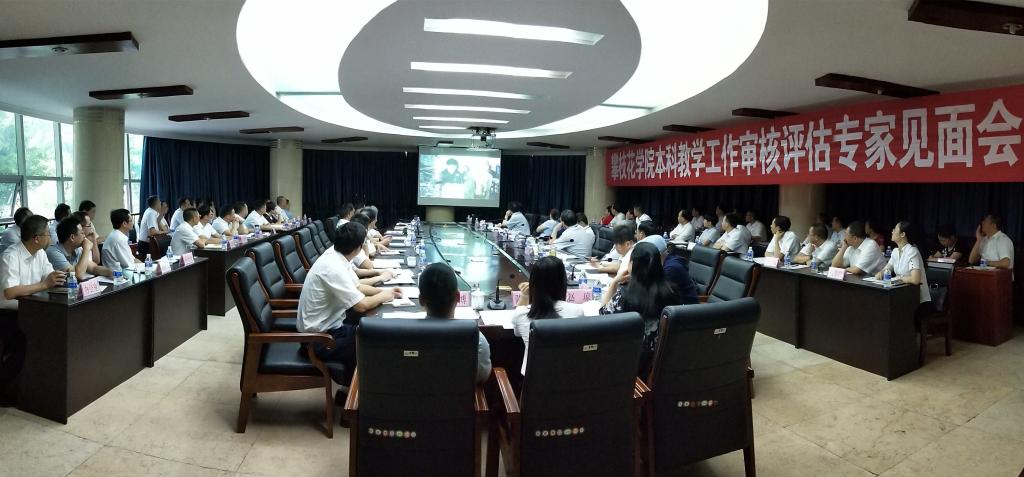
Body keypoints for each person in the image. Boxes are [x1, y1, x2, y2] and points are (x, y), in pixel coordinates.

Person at [297, 222, 400, 384]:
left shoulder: (336, 255)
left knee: (370, 329)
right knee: (375, 339)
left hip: (331, 329)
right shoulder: (333, 267)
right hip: (318, 340)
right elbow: (361, 305)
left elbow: (357, 286)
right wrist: (383, 296)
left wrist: (386, 291)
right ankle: (360, 393)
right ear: (358, 248)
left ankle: (350, 388)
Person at [0, 215, 66, 402]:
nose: (50, 238)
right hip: (8, 312)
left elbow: (49, 277)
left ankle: (41, 385)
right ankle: (5, 389)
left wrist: (61, 279)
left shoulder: (41, 254)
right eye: (47, 234)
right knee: (24, 342)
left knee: (57, 332)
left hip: (34, 309)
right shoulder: (10, 256)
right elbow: (10, 292)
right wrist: (44, 285)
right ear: (36, 238)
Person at [600, 242, 683, 377]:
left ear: (632, 264)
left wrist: (614, 283)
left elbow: (602, 315)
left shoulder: (625, 295)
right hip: (661, 362)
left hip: (627, 363)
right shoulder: (672, 291)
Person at [417, 263, 491, 382]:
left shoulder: (407, 338)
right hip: (461, 394)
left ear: (421, 300)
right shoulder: (476, 340)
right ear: (458, 296)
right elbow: (482, 377)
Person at [512, 256, 585, 375]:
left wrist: (524, 296)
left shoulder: (521, 314)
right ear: (563, 282)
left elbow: (517, 332)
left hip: (532, 382)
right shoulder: (577, 311)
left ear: (532, 283)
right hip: (568, 379)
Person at [876, 221, 931, 303]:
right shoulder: (895, 251)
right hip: (902, 294)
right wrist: (881, 272)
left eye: (895, 229)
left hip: (917, 299)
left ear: (902, 234)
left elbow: (915, 279)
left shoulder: (912, 251)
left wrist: (899, 279)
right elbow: (888, 268)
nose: (892, 231)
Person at [46, 216, 112, 281]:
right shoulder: (53, 252)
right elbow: (77, 276)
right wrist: (86, 249)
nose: (84, 236)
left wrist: (111, 272)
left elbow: (93, 268)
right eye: (82, 233)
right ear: (72, 237)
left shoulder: (76, 249)